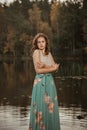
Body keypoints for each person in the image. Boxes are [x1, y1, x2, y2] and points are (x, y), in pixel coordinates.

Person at [29, 33, 60, 130]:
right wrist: (51, 68)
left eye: (43, 41)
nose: (41, 44)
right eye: (39, 42)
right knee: (40, 107)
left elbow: (56, 68)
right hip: (40, 82)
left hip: (50, 83)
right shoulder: (36, 52)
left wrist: (45, 66)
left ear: (46, 43)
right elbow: (38, 70)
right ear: (36, 44)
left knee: (50, 108)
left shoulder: (48, 53)